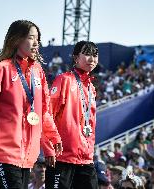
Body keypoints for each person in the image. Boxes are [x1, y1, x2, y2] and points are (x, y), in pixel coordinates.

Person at [0, 20, 62, 189]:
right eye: (31, 37)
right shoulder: (1, 69)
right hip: (6, 153)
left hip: (29, 156)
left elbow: (43, 113)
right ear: (16, 40)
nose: (36, 42)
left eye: (38, 38)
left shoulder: (38, 72)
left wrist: (51, 142)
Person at [44, 41, 99, 189]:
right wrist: (49, 148)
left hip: (86, 158)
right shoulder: (64, 80)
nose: (92, 59)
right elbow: (47, 114)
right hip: (62, 158)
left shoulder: (91, 88)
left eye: (95, 55)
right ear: (76, 58)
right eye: (87, 54)